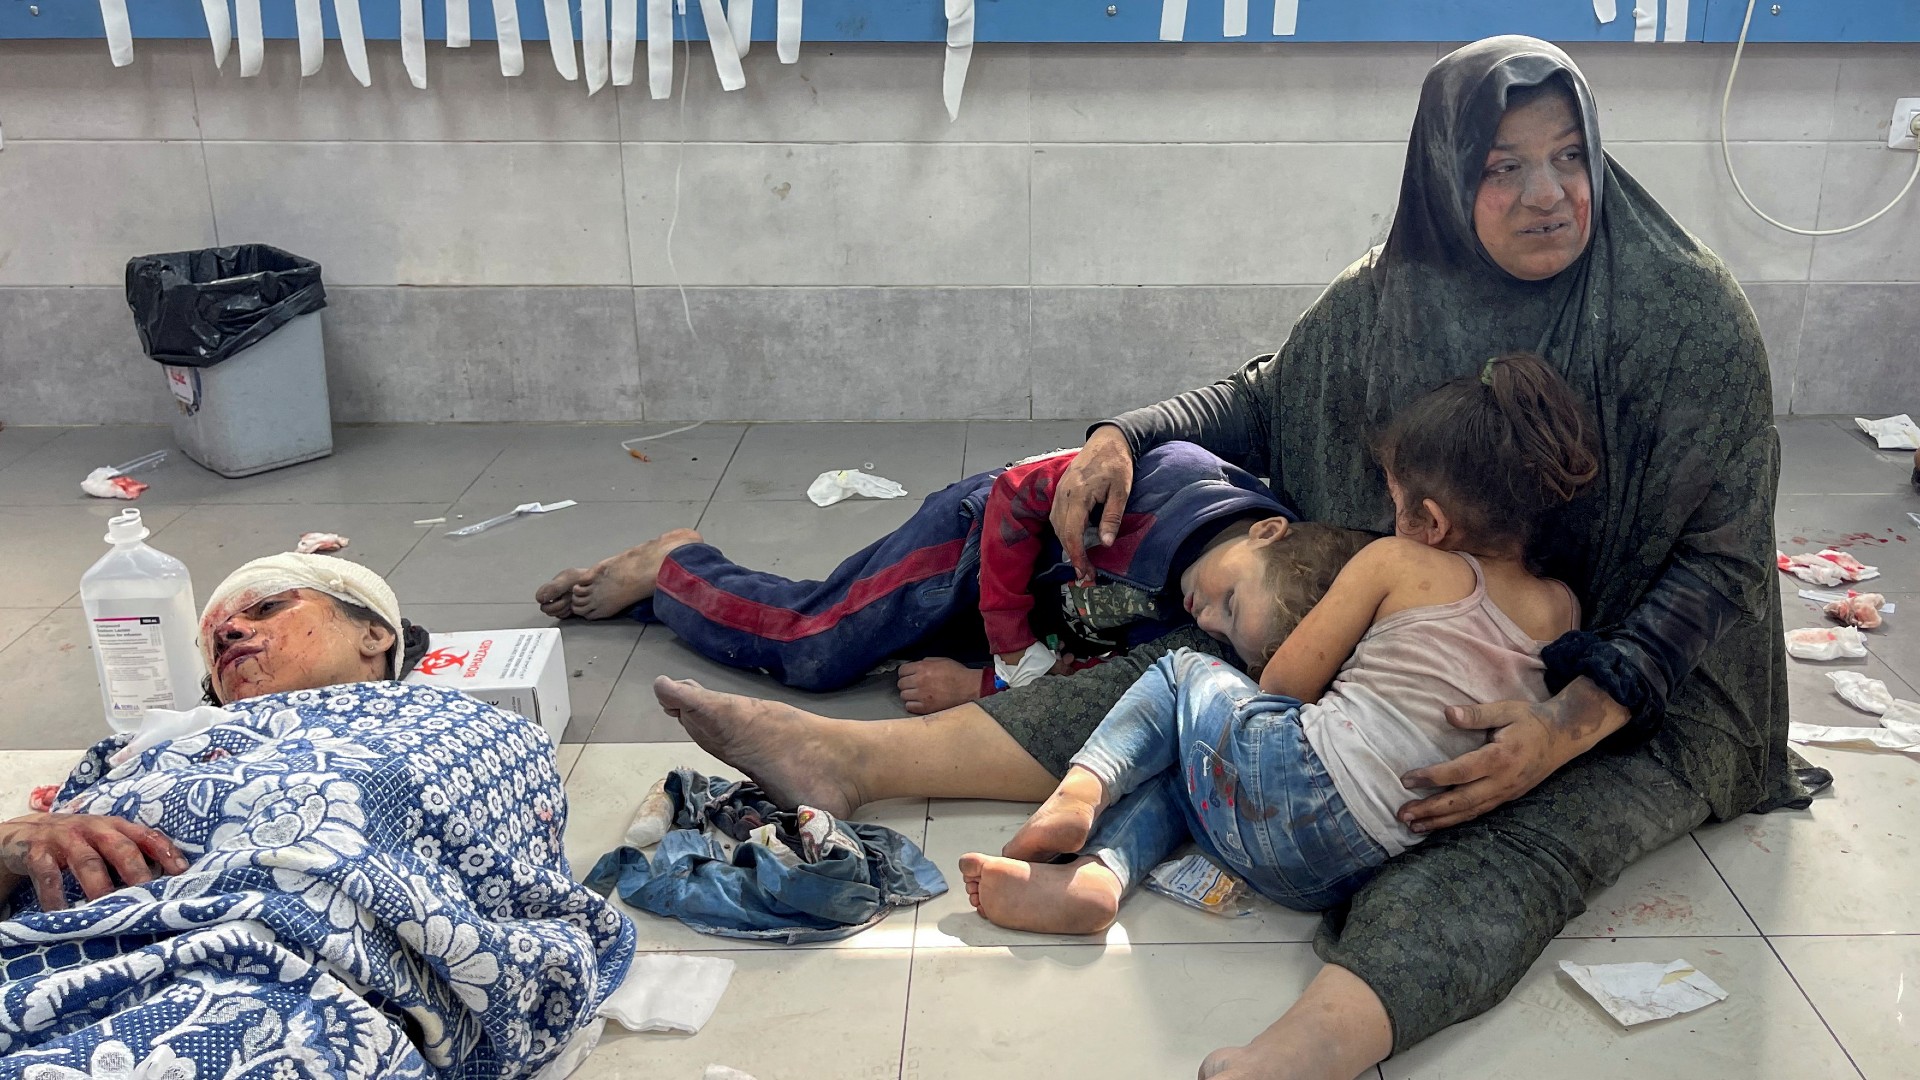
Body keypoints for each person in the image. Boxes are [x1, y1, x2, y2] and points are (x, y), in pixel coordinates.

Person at [648, 36, 1810, 1080]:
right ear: (1448, 182)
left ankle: (1296, 1058)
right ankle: (856, 764)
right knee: (1187, 689)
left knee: (1497, 841)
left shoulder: (1680, 318)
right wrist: (1126, 436)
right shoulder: (1397, 295)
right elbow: (1264, 392)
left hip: (1644, 698)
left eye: (1569, 159)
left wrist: (1562, 730)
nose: (1549, 196)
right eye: (1503, 167)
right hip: (1443, 629)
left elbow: (1715, 573)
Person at [957, 352, 1593, 935]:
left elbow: (1282, 687)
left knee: (1183, 673)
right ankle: (1097, 878)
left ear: (1430, 522)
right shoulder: (1563, 609)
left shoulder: (1395, 560)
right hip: (1347, 867)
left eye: (1396, 503)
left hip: (1303, 784)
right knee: (1191, 771)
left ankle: (1080, 793)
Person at [0, 553, 633, 1079]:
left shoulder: (467, 728)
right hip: (52, 957)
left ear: (374, 634)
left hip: (279, 981)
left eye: (267, 606)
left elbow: (498, 886)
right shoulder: (140, 753)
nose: (227, 631)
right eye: (212, 637)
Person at [537, 442, 1348, 712]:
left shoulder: (1207, 603)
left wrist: (983, 686)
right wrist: (1004, 648)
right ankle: (676, 565)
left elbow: (1100, 662)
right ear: (1269, 529)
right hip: (972, 548)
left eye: (1223, 630)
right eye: (1230, 600)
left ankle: (673, 589)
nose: (1207, 616)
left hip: (1033, 609)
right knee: (816, 644)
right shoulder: (1167, 480)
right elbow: (1017, 494)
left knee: (844, 632)